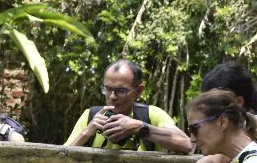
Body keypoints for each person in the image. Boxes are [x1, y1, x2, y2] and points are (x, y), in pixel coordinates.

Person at [64, 60, 192, 154]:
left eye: (121, 91)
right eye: (108, 89)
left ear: (139, 91)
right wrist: (87, 132)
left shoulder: (151, 115)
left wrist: (139, 127)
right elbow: (58, 156)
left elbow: (187, 144)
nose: (112, 97)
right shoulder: (91, 116)